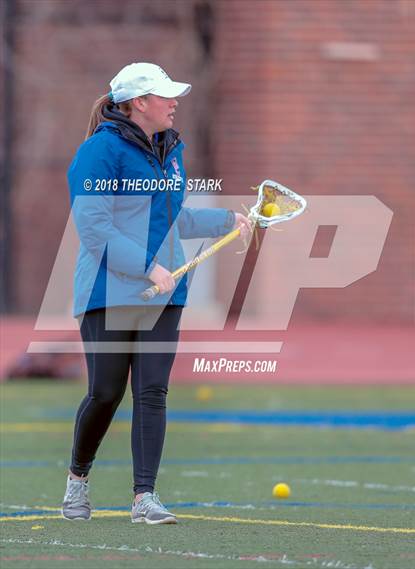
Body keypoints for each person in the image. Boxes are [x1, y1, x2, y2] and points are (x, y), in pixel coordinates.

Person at [62, 62, 251, 524]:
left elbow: (176, 218)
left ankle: (144, 497)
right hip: (109, 290)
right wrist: (146, 267)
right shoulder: (98, 152)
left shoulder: (171, 151)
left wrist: (230, 221)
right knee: (106, 392)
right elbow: (94, 227)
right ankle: (77, 479)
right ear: (138, 103)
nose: (175, 102)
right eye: (165, 96)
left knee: (152, 392)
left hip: (164, 294)